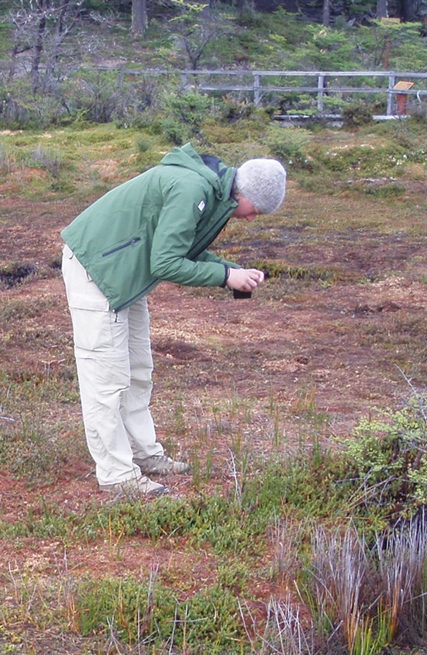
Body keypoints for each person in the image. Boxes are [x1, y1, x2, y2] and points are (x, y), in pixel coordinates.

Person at [60, 144, 286, 498]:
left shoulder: (211, 193)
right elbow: (165, 263)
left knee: (137, 370)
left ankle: (143, 454)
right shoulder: (192, 189)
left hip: (125, 273)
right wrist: (226, 278)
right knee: (106, 381)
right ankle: (117, 475)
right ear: (246, 194)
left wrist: (232, 270)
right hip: (98, 269)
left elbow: (183, 248)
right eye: (256, 210)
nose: (253, 217)